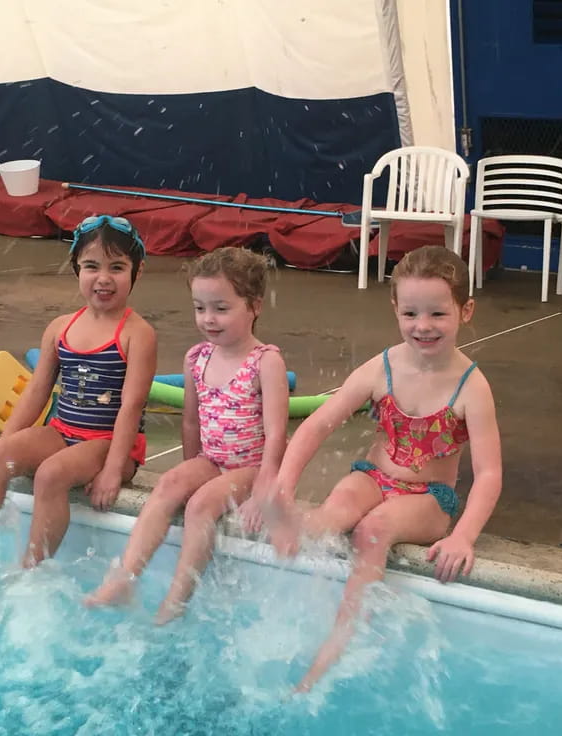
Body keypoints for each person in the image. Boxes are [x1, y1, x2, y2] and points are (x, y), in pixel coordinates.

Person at [263, 245, 502, 692]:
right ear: (395, 308)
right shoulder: (383, 367)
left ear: (465, 310)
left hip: (430, 498)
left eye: (437, 314)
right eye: (411, 313)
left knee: (371, 531)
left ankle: (339, 641)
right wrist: (283, 487)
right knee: (334, 513)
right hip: (373, 477)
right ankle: (287, 580)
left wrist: (463, 535)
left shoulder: (472, 387)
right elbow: (317, 424)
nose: (423, 326)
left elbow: (488, 473)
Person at [0, 215, 157, 600]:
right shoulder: (60, 327)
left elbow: (131, 406)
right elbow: (37, 391)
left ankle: (29, 574)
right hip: (63, 432)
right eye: (91, 266)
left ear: (137, 272)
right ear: (76, 268)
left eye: (117, 268)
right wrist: (5, 442)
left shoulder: (136, 333)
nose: (103, 278)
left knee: (50, 476)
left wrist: (111, 470)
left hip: (111, 443)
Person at [85, 247, 289, 623]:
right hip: (211, 460)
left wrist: (265, 489)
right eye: (200, 308)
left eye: (221, 308)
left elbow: (278, 434)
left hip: (250, 466)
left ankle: (176, 601)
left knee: (200, 506)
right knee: (169, 485)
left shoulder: (266, 362)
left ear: (255, 306)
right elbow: (191, 423)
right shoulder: (197, 358)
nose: (208, 319)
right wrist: (189, 470)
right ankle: (125, 577)